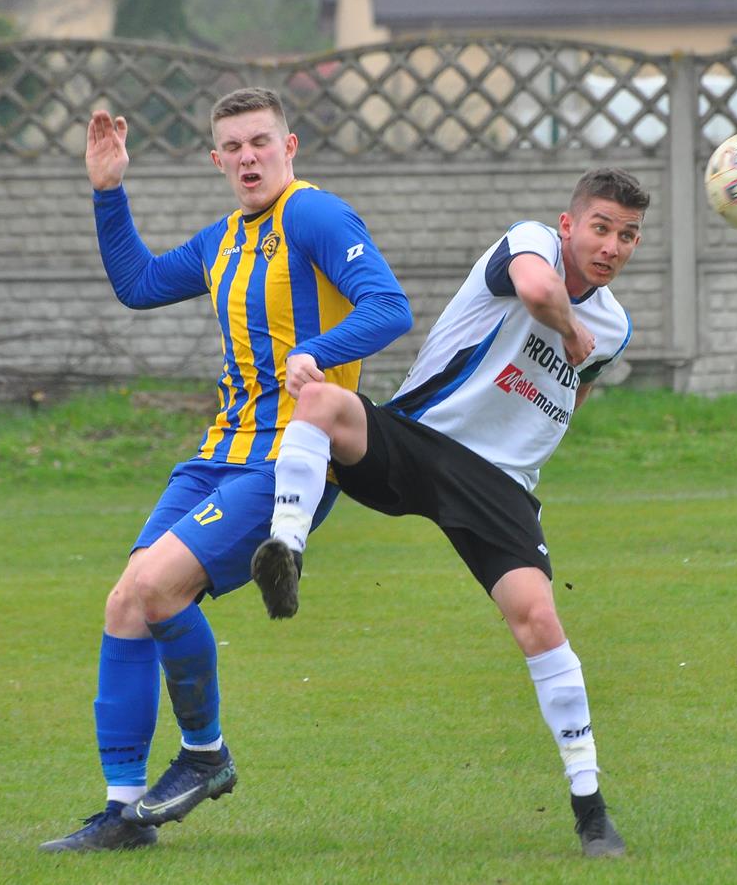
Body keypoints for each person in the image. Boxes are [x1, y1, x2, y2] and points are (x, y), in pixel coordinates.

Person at [40, 88, 412, 852]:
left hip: (289, 459)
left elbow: (390, 306)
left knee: (155, 586)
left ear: (290, 145)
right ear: (216, 160)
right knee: (125, 605)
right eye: (233, 147)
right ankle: (122, 813)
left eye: (260, 142)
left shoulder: (315, 216)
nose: (248, 156)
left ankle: (206, 752)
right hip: (218, 453)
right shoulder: (223, 240)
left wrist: (321, 351)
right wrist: (108, 191)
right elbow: (139, 285)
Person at [247, 167, 650, 858]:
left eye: (629, 235)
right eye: (602, 227)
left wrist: (559, 395)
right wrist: (572, 336)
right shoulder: (529, 245)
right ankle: (286, 547)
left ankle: (591, 808)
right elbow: (535, 290)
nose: (612, 245)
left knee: (540, 621)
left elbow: (578, 388)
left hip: (498, 483)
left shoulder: (614, 326)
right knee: (318, 401)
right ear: (568, 224)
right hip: (421, 436)